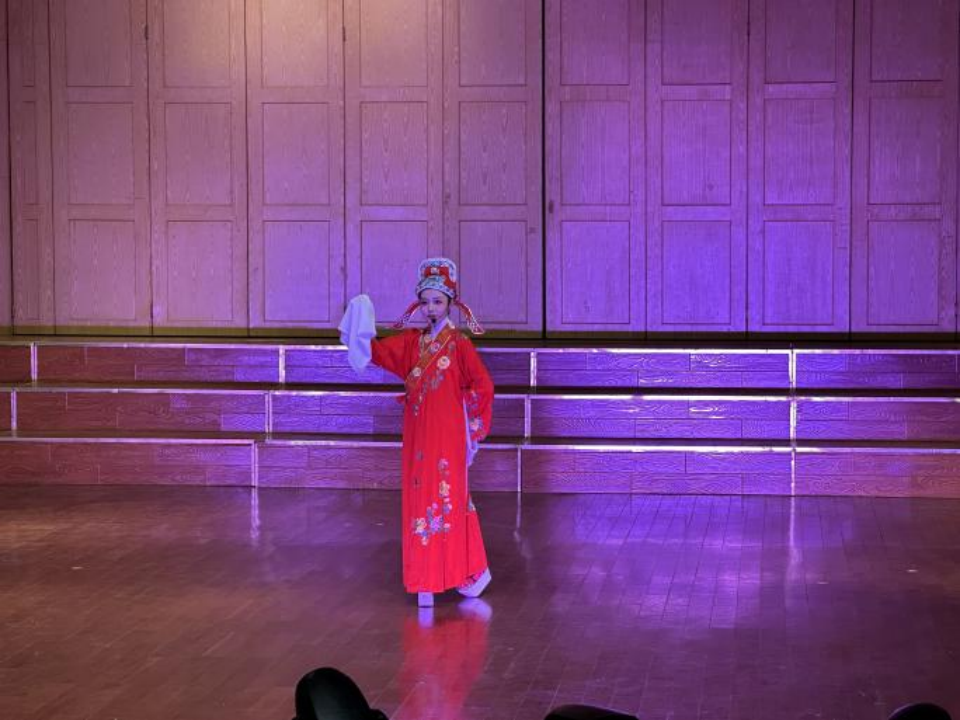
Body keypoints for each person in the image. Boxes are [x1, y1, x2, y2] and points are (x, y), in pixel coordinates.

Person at [339, 258, 494, 607]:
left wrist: (468, 421)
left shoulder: (459, 345)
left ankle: (462, 572)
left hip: (449, 436)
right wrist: (360, 320)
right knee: (421, 500)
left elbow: (483, 385)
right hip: (419, 435)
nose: (431, 308)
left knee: (451, 499)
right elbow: (379, 353)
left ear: (450, 303)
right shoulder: (413, 343)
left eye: (437, 301)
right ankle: (426, 578)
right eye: (425, 302)